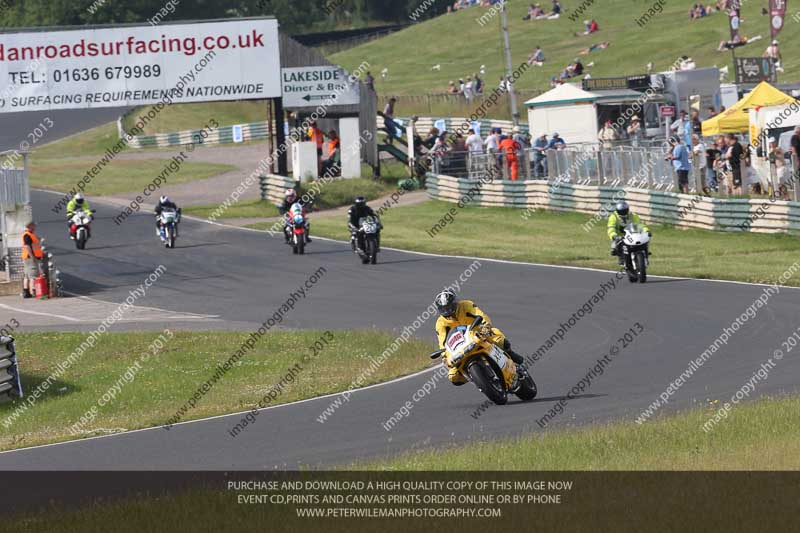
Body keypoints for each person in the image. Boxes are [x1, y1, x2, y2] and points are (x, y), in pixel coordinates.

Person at [433, 290, 529, 386]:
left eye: (450, 307)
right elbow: (442, 342)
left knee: (500, 341)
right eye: (444, 309)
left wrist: (486, 326)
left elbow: (481, 315)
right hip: (460, 347)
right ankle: (477, 379)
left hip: (478, 334)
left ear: (455, 303)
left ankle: (512, 357)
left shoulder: (466, 305)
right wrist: (444, 355)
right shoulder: (440, 323)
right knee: (453, 377)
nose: (448, 311)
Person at [607, 201, 650, 265]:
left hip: (633, 234)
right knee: (615, 246)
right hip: (620, 236)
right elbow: (611, 228)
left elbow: (640, 225)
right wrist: (614, 235)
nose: (623, 213)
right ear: (617, 211)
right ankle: (621, 257)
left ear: (628, 210)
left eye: (624, 211)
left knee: (645, 240)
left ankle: (645, 256)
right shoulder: (613, 217)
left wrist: (646, 231)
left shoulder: (633, 215)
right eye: (621, 211)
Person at [21, 221, 43, 299]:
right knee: (33, 275)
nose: (35, 227)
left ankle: (26, 292)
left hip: (27, 258)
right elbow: (27, 246)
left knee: (27, 275)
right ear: (30, 226)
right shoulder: (27, 235)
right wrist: (32, 256)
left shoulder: (29, 234)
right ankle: (33, 291)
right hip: (31, 258)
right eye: (34, 225)